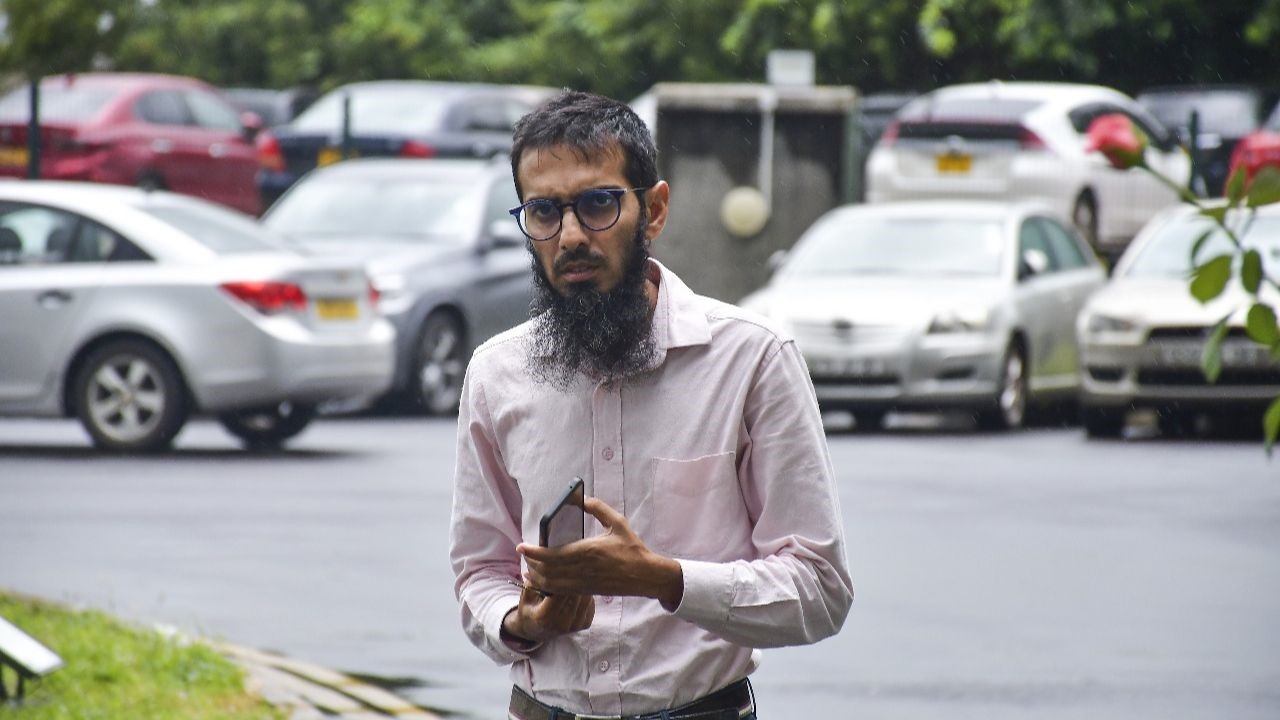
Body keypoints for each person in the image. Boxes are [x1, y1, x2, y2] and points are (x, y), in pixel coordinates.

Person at [449, 90, 853, 720]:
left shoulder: (752, 359)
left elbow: (819, 589)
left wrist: (664, 579)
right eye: (544, 211)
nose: (570, 236)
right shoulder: (496, 372)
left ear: (655, 210)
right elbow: (480, 570)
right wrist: (521, 619)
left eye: (599, 204)